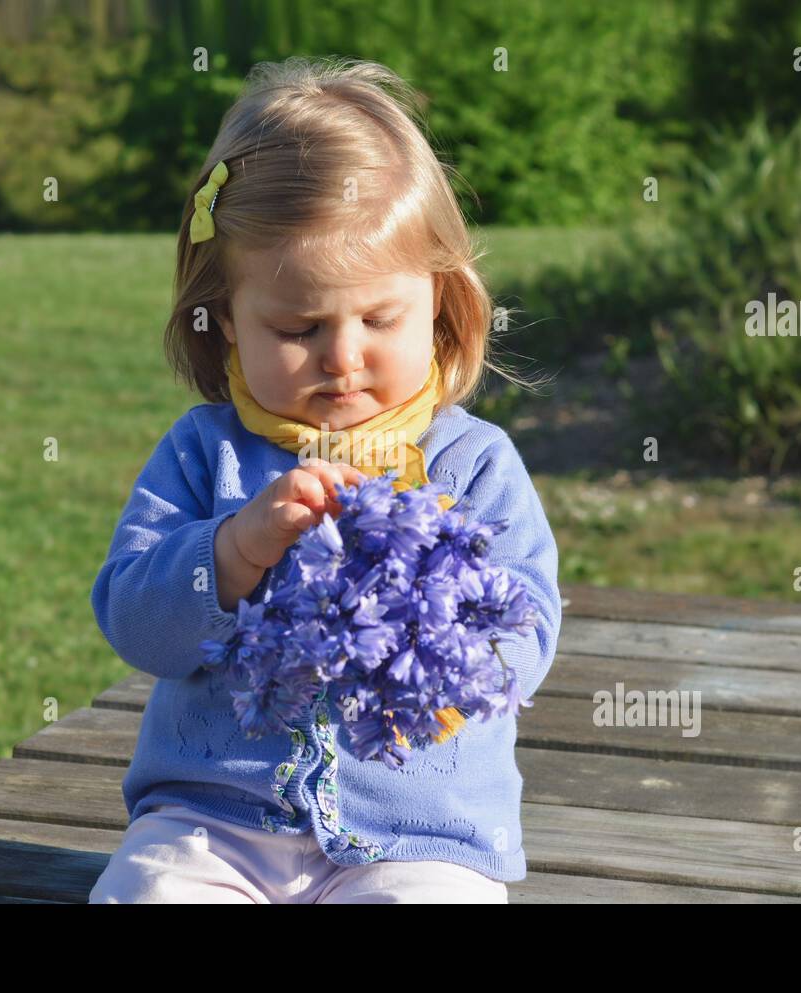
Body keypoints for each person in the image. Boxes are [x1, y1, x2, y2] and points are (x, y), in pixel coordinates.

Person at [88, 56, 560, 904]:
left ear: (441, 301)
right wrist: (231, 551)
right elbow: (131, 616)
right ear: (225, 320)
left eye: (381, 318)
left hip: (422, 833)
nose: (343, 359)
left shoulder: (473, 462)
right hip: (213, 821)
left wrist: (437, 627)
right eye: (298, 326)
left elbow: (526, 627)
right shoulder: (207, 455)